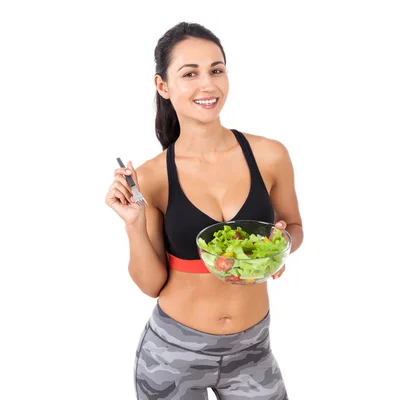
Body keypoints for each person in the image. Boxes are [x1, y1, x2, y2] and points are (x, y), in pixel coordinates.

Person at [104, 21, 303, 400]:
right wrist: (133, 224)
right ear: (163, 86)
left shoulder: (270, 155)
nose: (207, 84)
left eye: (216, 70)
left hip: (253, 350)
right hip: (172, 355)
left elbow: (294, 226)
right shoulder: (153, 175)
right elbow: (151, 285)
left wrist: (282, 246)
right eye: (190, 73)